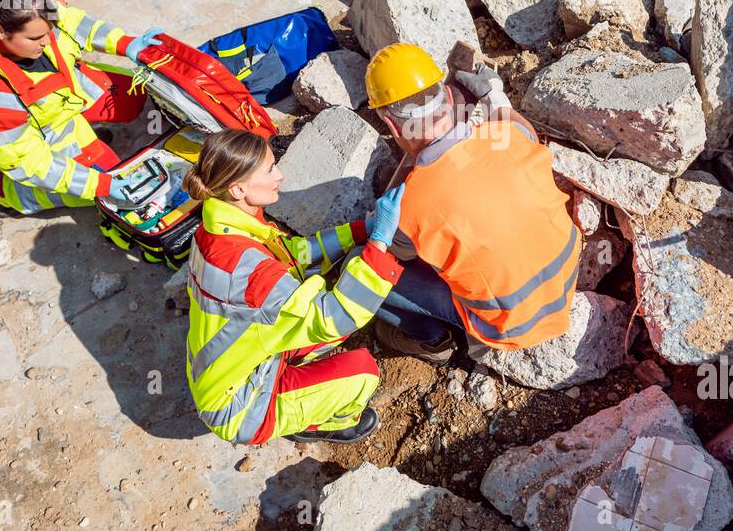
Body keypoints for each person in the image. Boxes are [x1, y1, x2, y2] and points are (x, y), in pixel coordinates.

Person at [182, 129, 406, 445]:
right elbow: (335, 317)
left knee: (332, 328)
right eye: (270, 169)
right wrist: (380, 241)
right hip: (238, 408)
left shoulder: (221, 229)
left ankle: (298, 387)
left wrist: (361, 231)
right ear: (238, 188)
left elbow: (295, 255)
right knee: (363, 371)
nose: (281, 175)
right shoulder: (246, 271)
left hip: (237, 367)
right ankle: (329, 423)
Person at [363, 43, 580, 366]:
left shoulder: (410, 209)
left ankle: (433, 340)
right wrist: (492, 93)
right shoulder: (511, 136)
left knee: (366, 274)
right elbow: (514, 120)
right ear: (449, 99)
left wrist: (378, 222)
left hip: (511, 324)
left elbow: (389, 250)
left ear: (392, 126)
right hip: (566, 280)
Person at [0, 0, 164, 217]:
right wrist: (100, 185)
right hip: (47, 129)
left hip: (65, 93)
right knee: (112, 190)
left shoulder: (33, 11)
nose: (49, 41)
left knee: (134, 94)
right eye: (36, 38)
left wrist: (123, 43)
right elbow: (29, 162)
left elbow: (75, 22)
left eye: (49, 30)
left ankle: (89, 143)